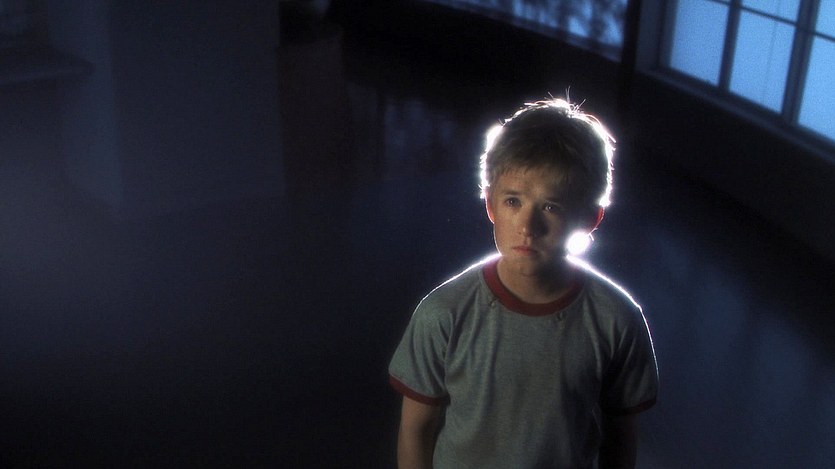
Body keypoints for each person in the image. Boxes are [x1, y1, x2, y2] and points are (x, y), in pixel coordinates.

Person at [388, 97, 658, 469]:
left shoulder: (616, 320)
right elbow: (416, 431)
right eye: (513, 201)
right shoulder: (443, 314)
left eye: (551, 206)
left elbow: (621, 439)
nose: (528, 227)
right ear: (491, 205)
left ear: (590, 219)